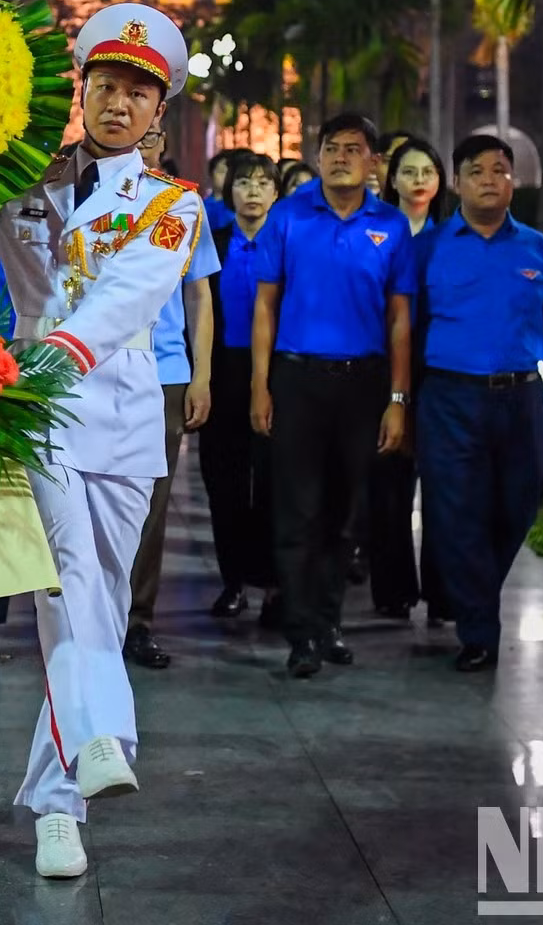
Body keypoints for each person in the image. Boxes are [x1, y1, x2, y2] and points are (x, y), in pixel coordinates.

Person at [0, 2, 204, 879]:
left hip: (128, 414)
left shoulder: (174, 204)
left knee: (93, 592)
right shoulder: (23, 184)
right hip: (36, 406)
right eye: (104, 85)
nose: (117, 104)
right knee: (65, 579)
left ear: (157, 111)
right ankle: (100, 736)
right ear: (81, 90)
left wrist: (56, 353)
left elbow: (129, 299)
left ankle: (58, 796)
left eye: (137, 92)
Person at [409, 134, 543, 672]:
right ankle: (479, 630)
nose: (489, 179)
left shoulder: (538, 249)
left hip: (522, 397)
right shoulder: (429, 247)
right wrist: (401, 401)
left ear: (514, 181)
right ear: (457, 182)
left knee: (521, 502)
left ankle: (474, 595)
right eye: (477, 170)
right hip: (449, 396)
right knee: (456, 513)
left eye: (500, 170)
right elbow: (405, 328)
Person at [251, 113, 414, 679]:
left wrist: (398, 398)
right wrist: (260, 385)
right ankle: (301, 635)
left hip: (364, 383)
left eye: (354, 149)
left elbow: (399, 320)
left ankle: (329, 622)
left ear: (373, 162)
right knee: (298, 510)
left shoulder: (391, 227)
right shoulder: (289, 217)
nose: (341, 157)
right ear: (318, 156)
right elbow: (265, 306)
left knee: (348, 514)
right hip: (297, 380)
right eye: (331, 148)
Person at [122, 124, 217, 670]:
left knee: (151, 507)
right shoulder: (85, 197)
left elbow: (199, 293)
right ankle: (80, 619)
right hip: (94, 369)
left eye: (154, 134)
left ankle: (138, 620)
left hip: (163, 374)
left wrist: (200, 374)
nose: (142, 141)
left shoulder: (183, 206)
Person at [198, 152, 281, 625]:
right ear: (229, 192)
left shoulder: (286, 243)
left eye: (262, 182)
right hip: (224, 371)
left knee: (272, 484)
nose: (252, 191)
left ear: (276, 192)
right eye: (243, 182)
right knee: (223, 483)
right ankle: (233, 582)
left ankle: (273, 584)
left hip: (274, 376)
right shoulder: (215, 243)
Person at [368, 137, 448, 622]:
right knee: (388, 483)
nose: (419, 180)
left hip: (437, 369)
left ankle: (442, 593)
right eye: (410, 171)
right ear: (392, 179)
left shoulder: (450, 238)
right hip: (382, 365)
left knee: (441, 484)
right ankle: (393, 588)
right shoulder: (377, 230)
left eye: (427, 172)